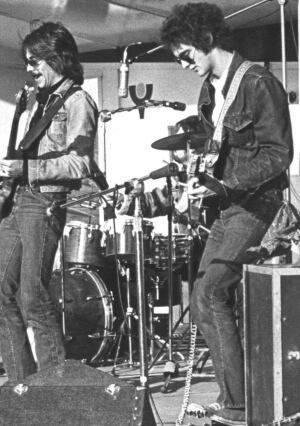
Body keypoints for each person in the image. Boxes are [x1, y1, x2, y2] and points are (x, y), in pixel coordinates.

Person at [161, 3, 293, 424]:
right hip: (226, 205)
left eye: (185, 54)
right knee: (203, 299)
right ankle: (236, 396)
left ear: (206, 40)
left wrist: (228, 183)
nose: (183, 64)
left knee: (211, 292)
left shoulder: (258, 83)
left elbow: (279, 154)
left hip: (257, 204)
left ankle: (239, 405)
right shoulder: (210, 90)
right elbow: (219, 147)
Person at [0, 22, 97, 383]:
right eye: (28, 63)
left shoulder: (78, 101)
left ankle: (53, 385)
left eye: (36, 62)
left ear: (58, 58)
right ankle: (21, 385)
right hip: (19, 201)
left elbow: (82, 163)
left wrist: (26, 167)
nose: (30, 70)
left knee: (33, 295)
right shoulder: (40, 102)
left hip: (45, 202)